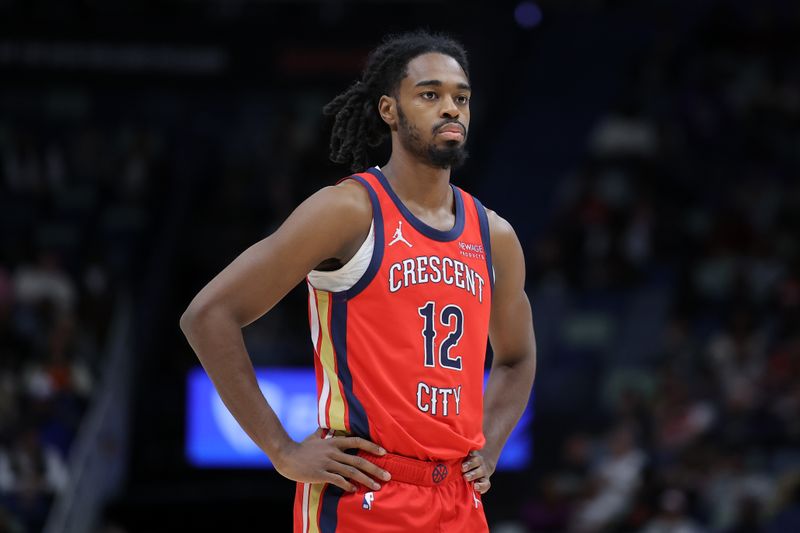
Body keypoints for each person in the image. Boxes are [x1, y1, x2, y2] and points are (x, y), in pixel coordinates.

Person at [180, 30, 536, 532]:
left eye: (461, 97)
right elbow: (209, 315)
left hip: (458, 499)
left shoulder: (495, 235)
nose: (451, 108)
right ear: (389, 110)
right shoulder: (348, 210)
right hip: (363, 491)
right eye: (430, 94)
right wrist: (280, 449)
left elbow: (517, 358)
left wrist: (493, 443)